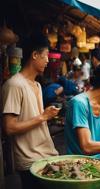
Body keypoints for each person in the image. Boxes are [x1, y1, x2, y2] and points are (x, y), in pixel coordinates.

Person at [2, 33, 59, 189]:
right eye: (45, 55)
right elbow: (9, 127)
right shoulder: (14, 85)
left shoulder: (37, 85)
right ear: (34, 55)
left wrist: (46, 116)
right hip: (30, 161)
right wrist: (43, 116)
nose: (48, 60)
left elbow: (35, 118)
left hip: (47, 155)